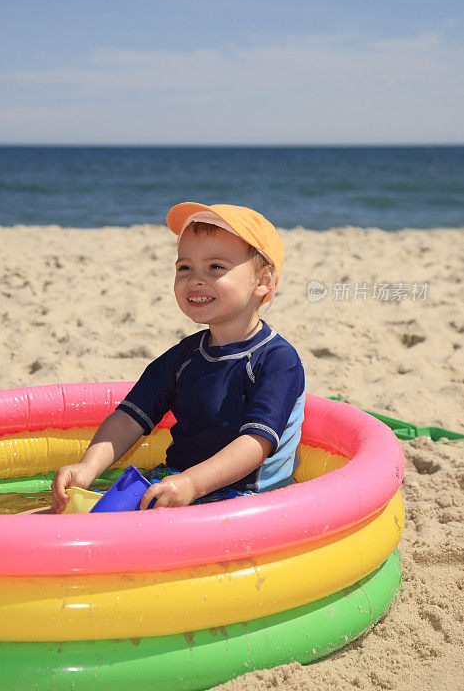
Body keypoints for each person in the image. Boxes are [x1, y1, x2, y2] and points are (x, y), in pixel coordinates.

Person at [52, 202, 305, 513]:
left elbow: (255, 444)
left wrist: (192, 484)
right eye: (184, 267)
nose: (195, 279)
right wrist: (87, 468)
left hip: (246, 499)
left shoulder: (278, 360)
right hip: (176, 480)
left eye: (215, 267)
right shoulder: (183, 358)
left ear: (263, 282)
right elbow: (129, 417)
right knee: (63, 515)